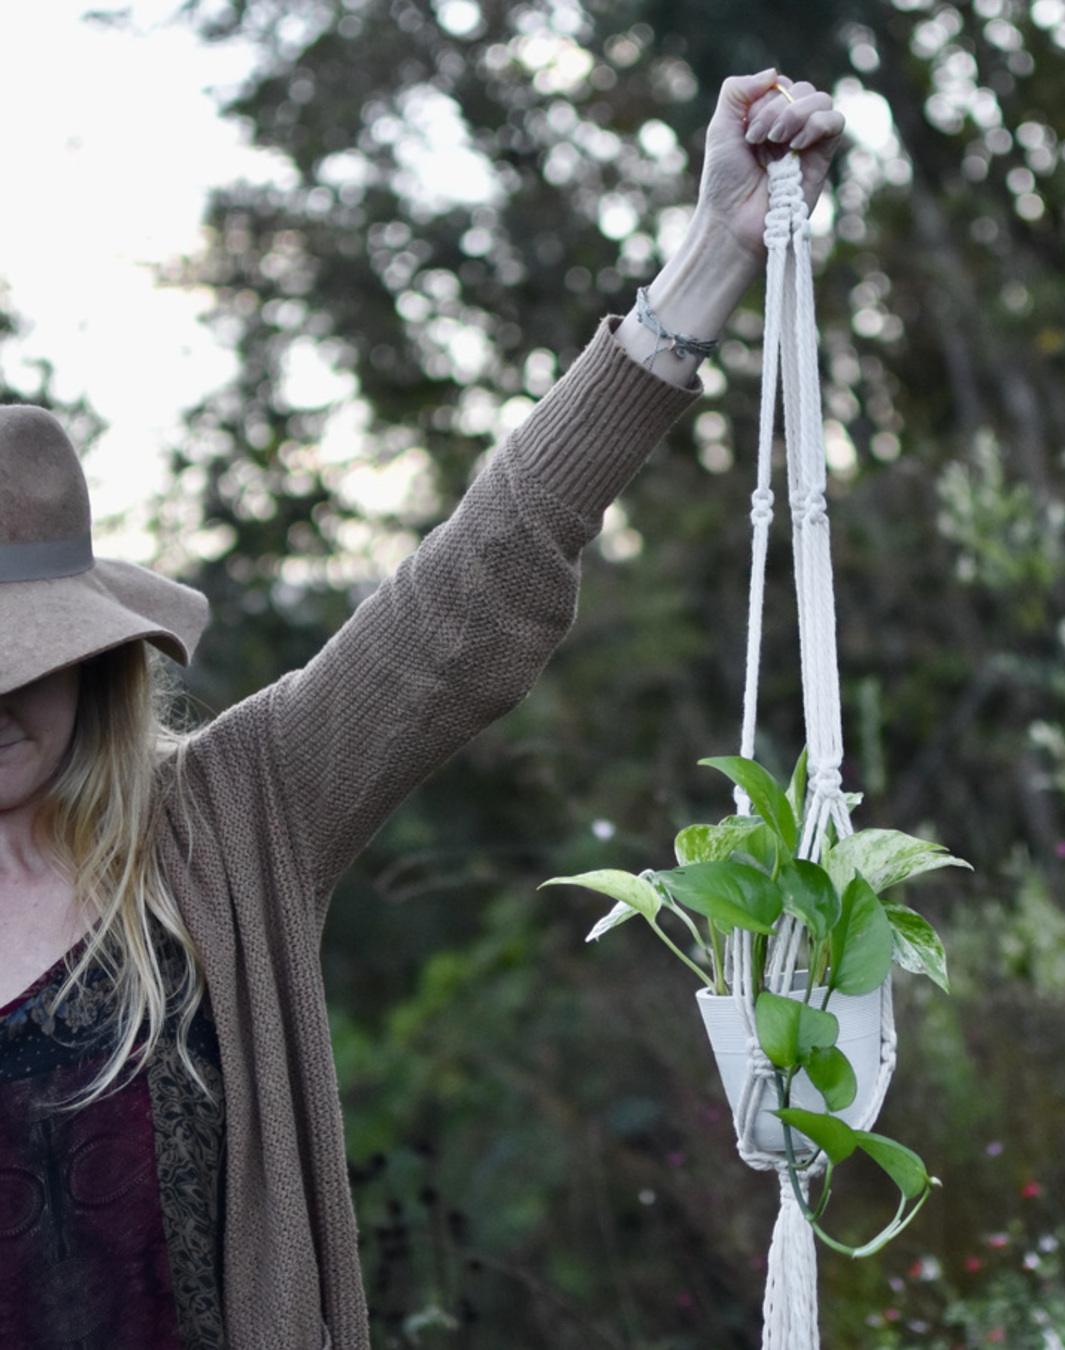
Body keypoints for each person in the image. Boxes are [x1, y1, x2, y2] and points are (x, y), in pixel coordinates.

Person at [0, 68, 843, 1350]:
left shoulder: (229, 821)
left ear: (98, 657)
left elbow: (473, 589)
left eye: (27, 655)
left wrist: (707, 262)